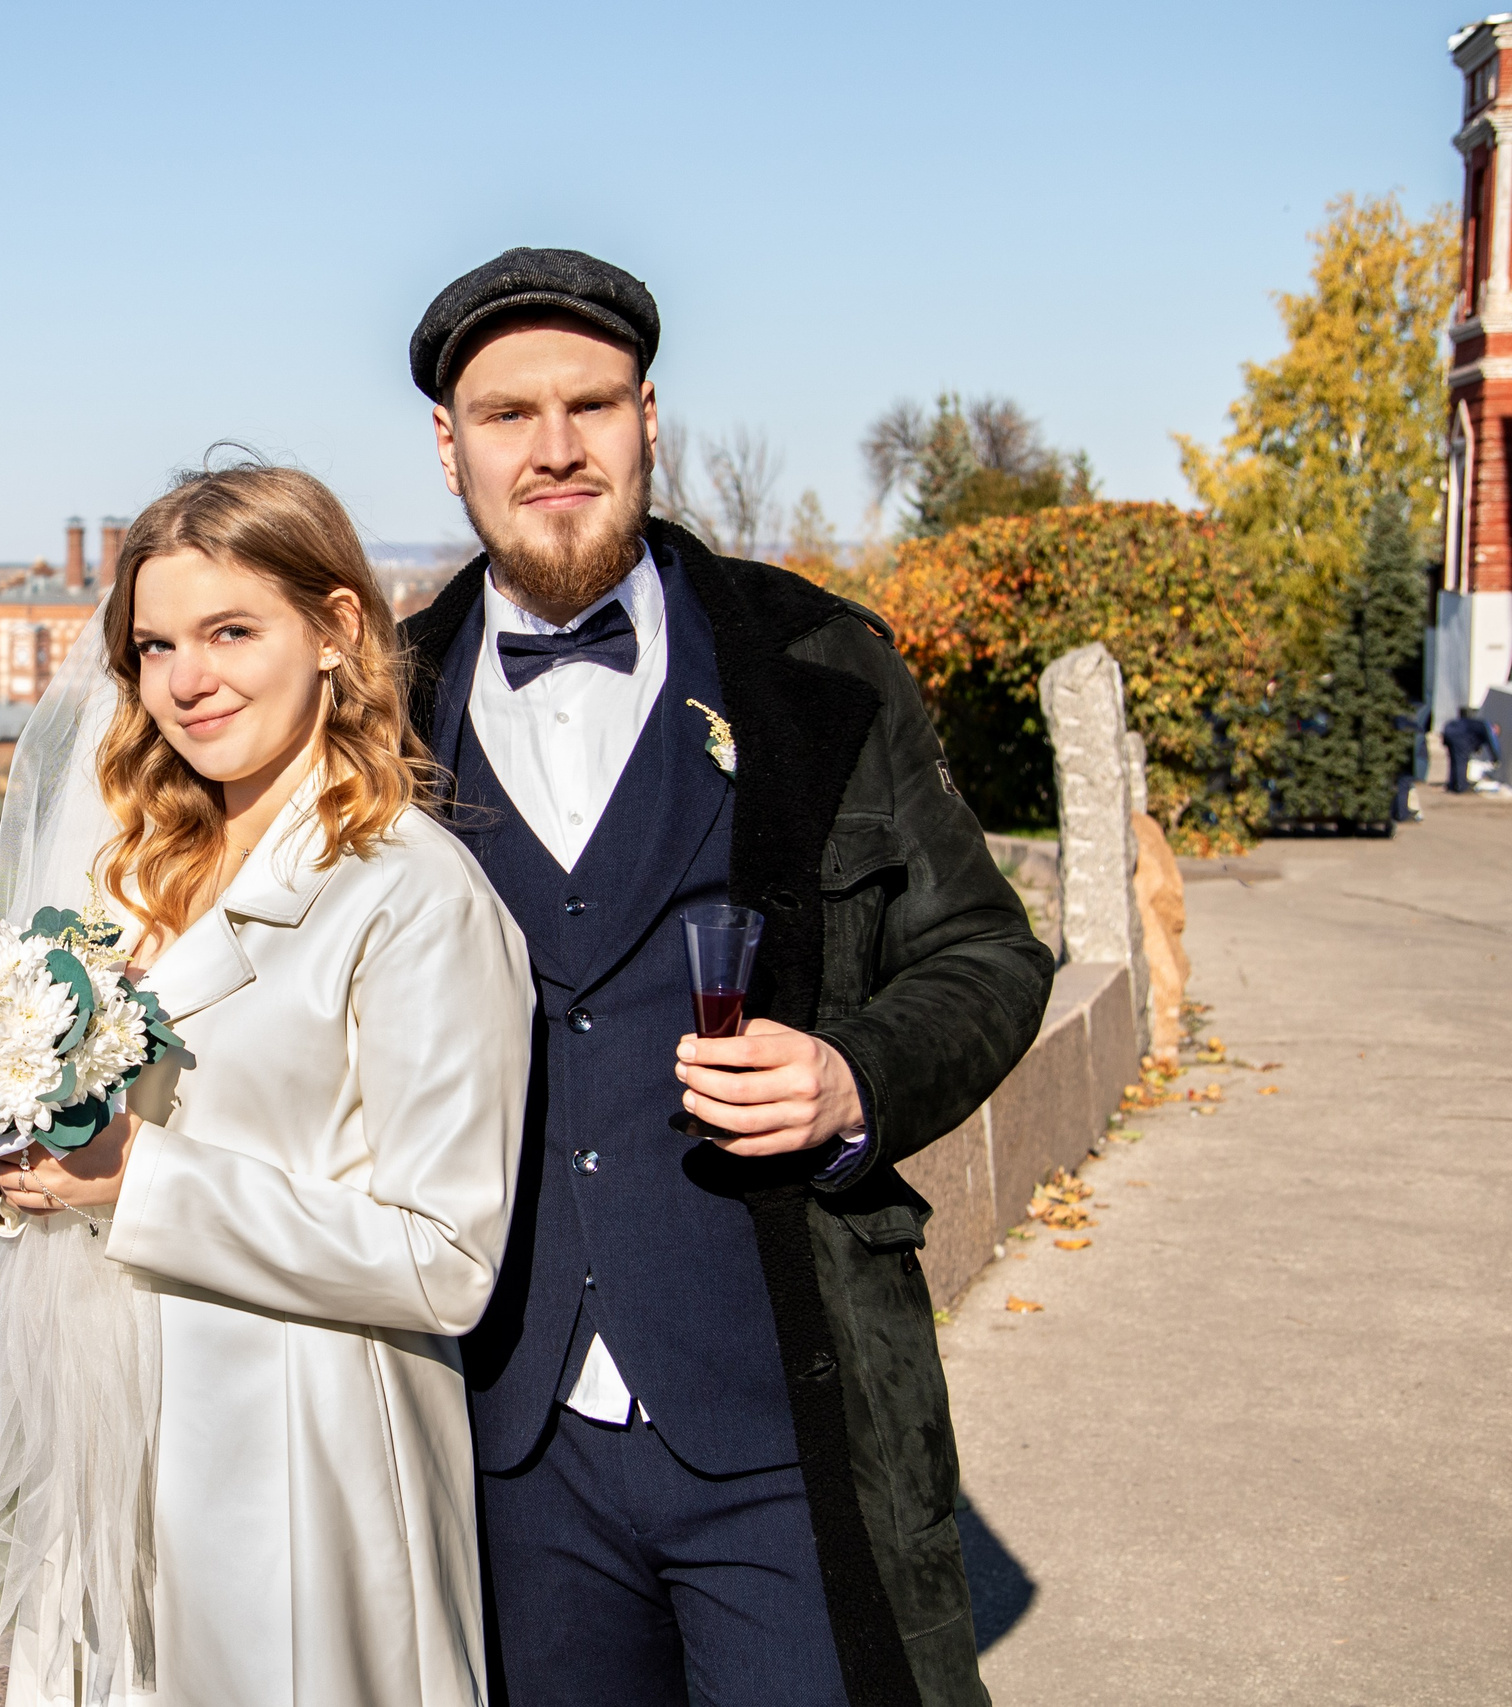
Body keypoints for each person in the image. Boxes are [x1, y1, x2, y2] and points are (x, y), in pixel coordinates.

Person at [395, 249, 1058, 1707]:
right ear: (449, 445)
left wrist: (855, 1077)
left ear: (648, 417)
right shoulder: (378, 712)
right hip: (495, 1442)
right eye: (507, 414)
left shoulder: (819, 666)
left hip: (784, 1413)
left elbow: (990, 952)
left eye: (590, 405)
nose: (554, 448)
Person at [0, 464, 535, 1706]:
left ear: (335, 630)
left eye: (231, 631)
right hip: (107, 1446)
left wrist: (136, 1183)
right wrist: (12, 1161)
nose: (186, 681)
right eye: (156, 646)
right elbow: (61, 1139)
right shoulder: (125, 869)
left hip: (299, 1455)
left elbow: (446, 1258)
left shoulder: (412, 894)